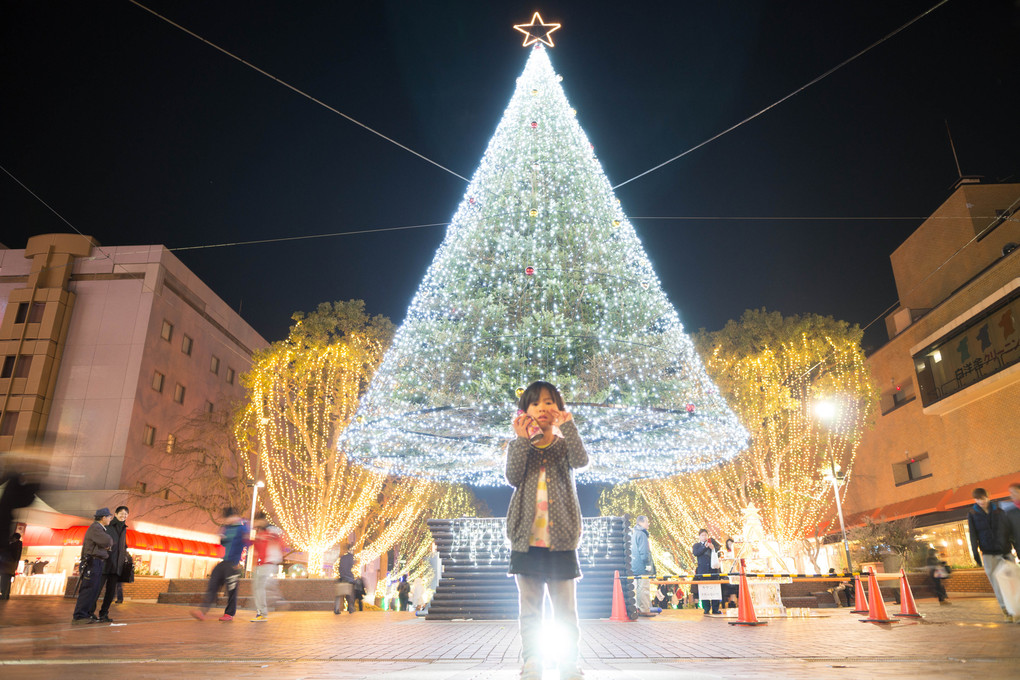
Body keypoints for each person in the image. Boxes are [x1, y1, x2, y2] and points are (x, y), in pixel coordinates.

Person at [506, 381, 589, 680]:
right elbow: (513, 477)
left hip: (563, 541)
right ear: (525, 411)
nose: (543, 407)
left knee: (566, 612)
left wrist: (571, 427)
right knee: (530, 611)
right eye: (536, 403)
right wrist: (520, 440)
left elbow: (582, 460)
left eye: (550, 402)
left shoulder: (564, 446)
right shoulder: (521, 446)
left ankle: (568, 663)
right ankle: (532, 662)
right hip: (525, 542)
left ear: (559, 409)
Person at [191, 507, 249, 622]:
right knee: (212, 585)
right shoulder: (226, 528)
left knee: (231, 590)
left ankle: (229, 613)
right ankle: (202, 611)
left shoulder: (242, 528)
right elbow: (222, 542)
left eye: (228, 518)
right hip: (223, 563)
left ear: (234, 517)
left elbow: (248, 542)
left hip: (233, 564)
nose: (226, 520)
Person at [967, 488, 1010, 620]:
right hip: (988, 553)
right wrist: (975, 553)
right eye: (978, 499)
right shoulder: (973, 513)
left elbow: (1007, 530)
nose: (981, 501)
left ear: (988, 497)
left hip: (1005, 551)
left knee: (1012, 580)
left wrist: (1010, 547)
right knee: (996, 583)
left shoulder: (998, 510)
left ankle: (1015, 607)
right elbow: (973, 534)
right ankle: (1006, 611)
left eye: (983, 498)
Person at [72, 508, 114, 623]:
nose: (110, 518)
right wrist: (107, 543)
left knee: (93, 590)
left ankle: (87, 614)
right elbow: (108, 541)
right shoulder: (96, 528)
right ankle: (80, 616)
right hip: (92, 562)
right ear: (103, 517)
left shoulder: (99, 529)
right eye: (109, 516)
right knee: (88, 589)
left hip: (96, 562)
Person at [94, 505, 129, 623]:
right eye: (122, 513)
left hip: (116, 565)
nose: (123, 516)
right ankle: (89, 612)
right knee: (97, 590)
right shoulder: (108, 526)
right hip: (105, 563)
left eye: (126, 514)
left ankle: (104, 614)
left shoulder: (124, 528)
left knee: (110, 592)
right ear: (115, 514)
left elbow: (123, 546)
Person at [250, 511, 285, 622]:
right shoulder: (261, 532)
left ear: (262, 520)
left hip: (268, 562)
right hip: (261, 563)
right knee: (257, 588)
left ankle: (262, 613)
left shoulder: (271, 531)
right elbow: (257, 547)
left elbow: (280, 543)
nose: (256, 524)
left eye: (257, 521)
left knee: (259, 588)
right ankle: (265, 608)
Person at [630, 515, 655, 616]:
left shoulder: (634, 533)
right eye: (647, 521)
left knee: (639, 588)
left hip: (635, 565)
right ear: (641, 522)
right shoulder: (642, 534)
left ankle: (640, 608)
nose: (648, 524)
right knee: (644, 588)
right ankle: (644, 609)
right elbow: (644, 551)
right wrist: (648, 564)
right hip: (642, 565)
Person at [692, 529, 721, 615]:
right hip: (703, 570)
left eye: (705, 535)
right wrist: (705, 547)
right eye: (702, 535)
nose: (704, 537)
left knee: (715, 589)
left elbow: (719, 553)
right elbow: (696, 553)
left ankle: (716, 609)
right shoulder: (696, 545)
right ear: (699, 537)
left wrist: (713, 549)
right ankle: (706, 608)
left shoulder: (713, 543)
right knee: (704, 590)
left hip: (713, 570)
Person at [334, 544, 356, 615]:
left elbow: (340, 568)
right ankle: (351, 608)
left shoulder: (342, 557)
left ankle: (336, 609)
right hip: (349, 578)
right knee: (350, 594)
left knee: (338, 595)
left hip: (342, 577)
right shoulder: (351, 557)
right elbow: (351, 566)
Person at [1, 531, 23, 600]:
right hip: (11, 566)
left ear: (15, 538)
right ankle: (6, 595)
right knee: (7, 581)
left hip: (8, 566)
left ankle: (4, 595)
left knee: (4, 580)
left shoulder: (13, 546)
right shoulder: (18, 546)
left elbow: (6, 552)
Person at [1002, 482, 1020, 559]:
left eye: (1015, 492)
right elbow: (1008, 535)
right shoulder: (1009, 513)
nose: (1012, 495)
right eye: (1011, 492)